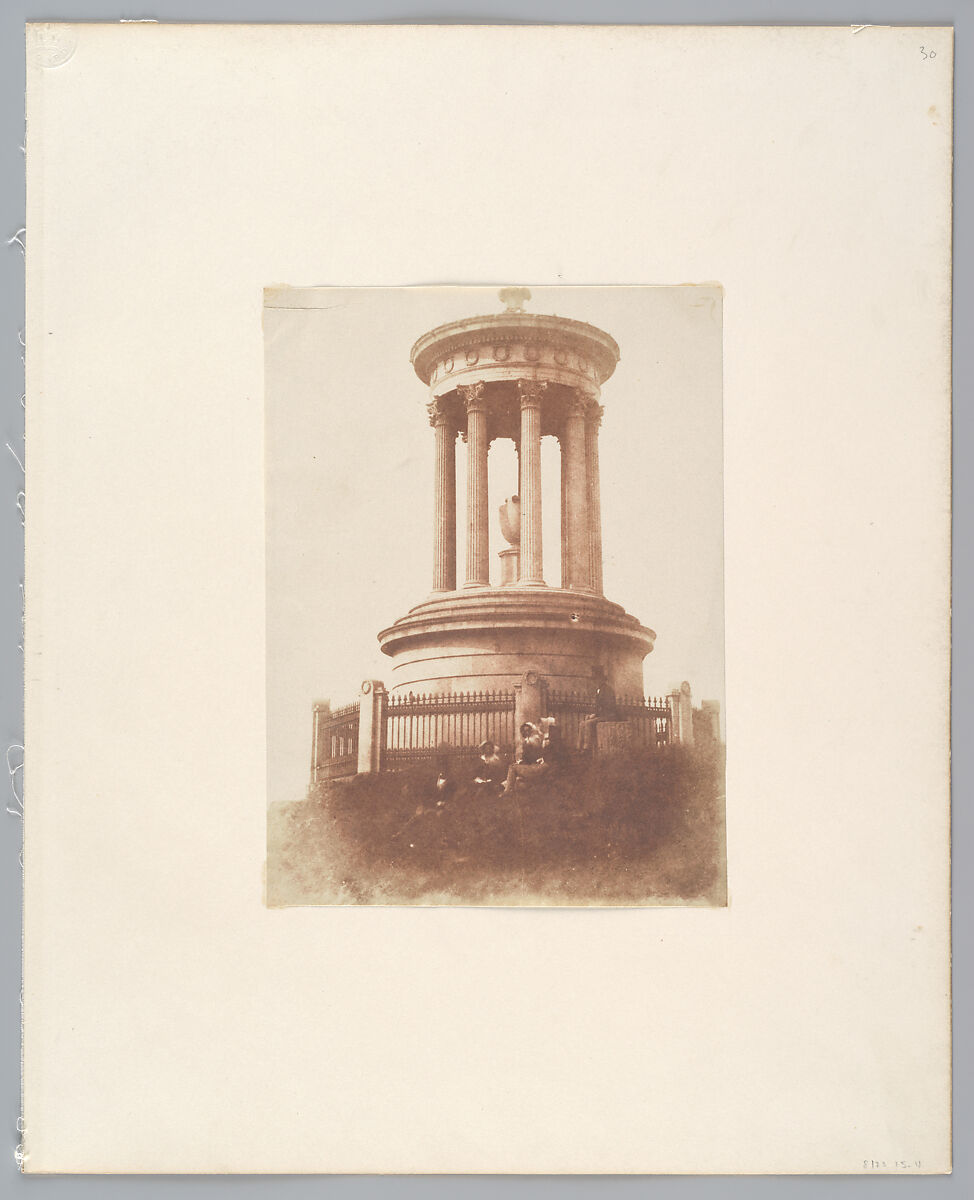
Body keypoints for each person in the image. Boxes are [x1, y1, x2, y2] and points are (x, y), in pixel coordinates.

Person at [500, 722, 549, 794]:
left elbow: (534, 755)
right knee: (517, 780)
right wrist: (521, 761)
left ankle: (507, 792)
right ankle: (506, 789)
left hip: (536, 766)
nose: (526, 732)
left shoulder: (533, 739)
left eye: (528, 730)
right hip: (533, 765)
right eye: (524, 731)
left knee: (512, 768)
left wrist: (522, 761)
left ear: (531, 731)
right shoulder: (528, 741)